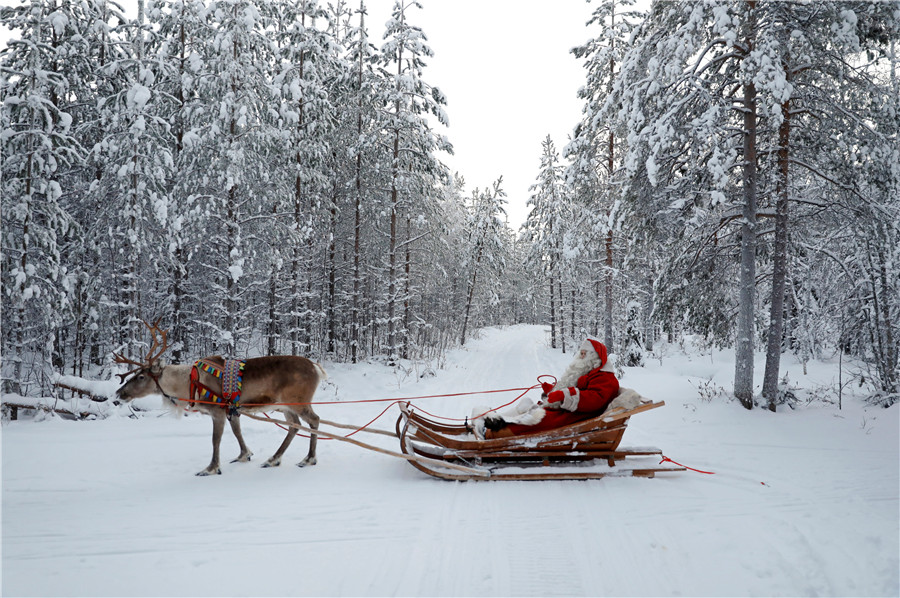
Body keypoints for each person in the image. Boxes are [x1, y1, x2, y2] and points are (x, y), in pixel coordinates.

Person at [477, 338, 620, 439]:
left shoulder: (605, 377)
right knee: (527, 405)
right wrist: (552, 390)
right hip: (569, 410)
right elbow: (573, 389)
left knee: (536, 419)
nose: (581, 357)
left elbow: (594, 400)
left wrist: (563, 395)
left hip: (577, 417)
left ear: (594, 357)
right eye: (581, 354)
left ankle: (493, 434)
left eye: (585, 354)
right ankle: (495, 422)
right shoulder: (589, 371)